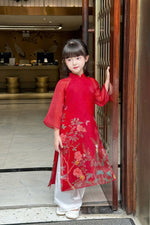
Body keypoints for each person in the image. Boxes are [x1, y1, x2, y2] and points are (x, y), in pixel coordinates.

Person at [43, 39, 116, 219]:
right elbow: (56, 111)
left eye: (77, 57)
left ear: (86, 59)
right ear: (64, 62)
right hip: (68, 133)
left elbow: (100, 100)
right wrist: (56, 134)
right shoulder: (63, 84)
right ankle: (62, 202)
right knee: (65, 167)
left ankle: (74, 204)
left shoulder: (92, 82)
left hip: (87, 133)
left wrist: (107, 81)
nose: (74, 62)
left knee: (81, 168)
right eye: (69, 59)